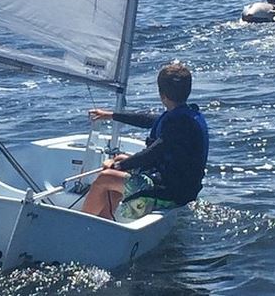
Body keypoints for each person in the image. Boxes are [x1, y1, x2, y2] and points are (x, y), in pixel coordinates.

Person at [81, 61, 209, 220]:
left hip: (172, 193)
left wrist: (118, 165)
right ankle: (105, 218)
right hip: (175, 185)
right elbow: (148, 120)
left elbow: (153, 152)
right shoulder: (186, 115)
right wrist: (111, 115)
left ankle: (80, 223)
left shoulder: (178, 124)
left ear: (162, 95)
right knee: (121, 160)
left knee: (105, 178)